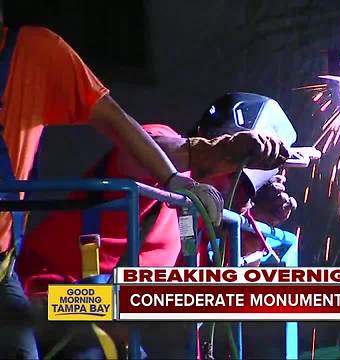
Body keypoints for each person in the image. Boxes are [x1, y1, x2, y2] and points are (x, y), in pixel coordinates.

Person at [0, 23, 227, 359]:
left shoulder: (196, 222)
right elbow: (143, 139)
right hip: (50, 292)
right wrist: (200, 157)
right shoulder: (162, 157)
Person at [18, 119, 295, 358]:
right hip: (50, 299)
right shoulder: (168, 156)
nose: (241, 204)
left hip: (102, 324)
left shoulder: (193, 224)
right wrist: (210, 153)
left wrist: (251, 245)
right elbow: (137, 153)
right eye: (242, 190)